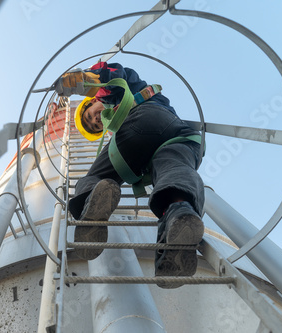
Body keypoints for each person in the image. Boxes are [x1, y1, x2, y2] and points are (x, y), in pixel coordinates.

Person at [55, 62, 205, 288]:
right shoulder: (127, 98)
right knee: (174, 170)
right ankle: (179, 215)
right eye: (94, 127)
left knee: (93, 177)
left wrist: (82, 80)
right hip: (182, 134)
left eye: (90, 117)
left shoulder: (109, 97)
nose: (95, 121)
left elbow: (111, 76)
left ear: (93, 102)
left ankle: (91, 202)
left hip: (141, 122)